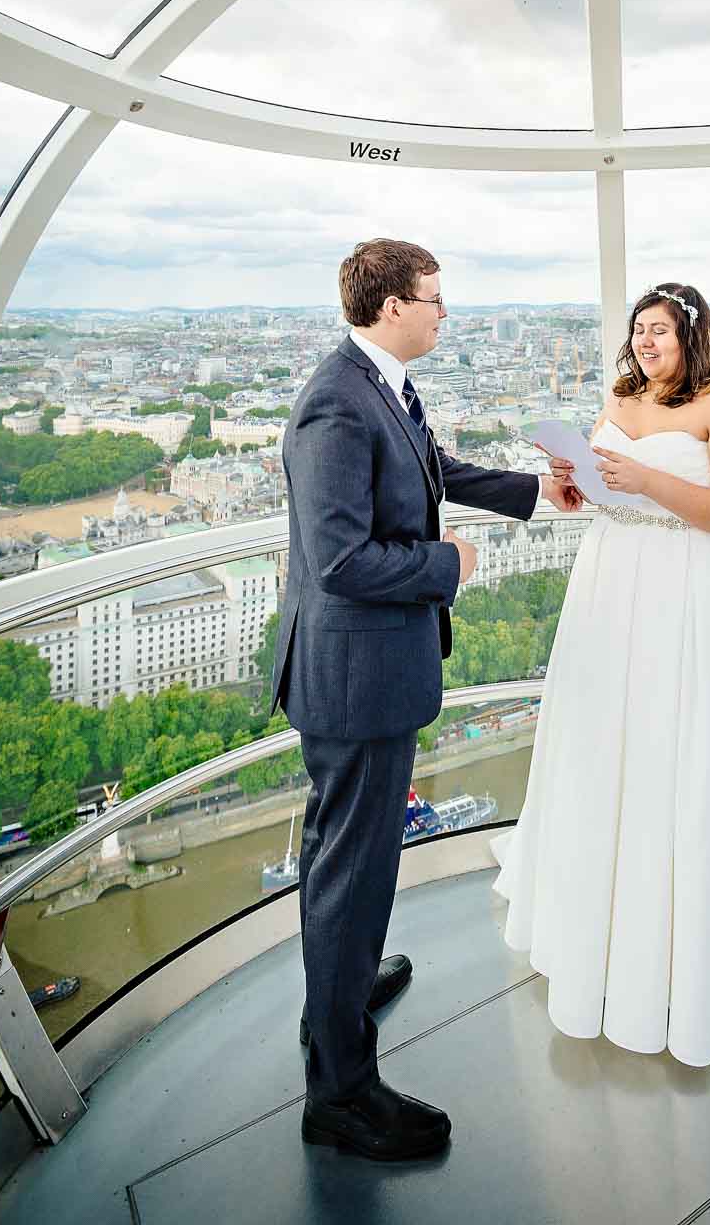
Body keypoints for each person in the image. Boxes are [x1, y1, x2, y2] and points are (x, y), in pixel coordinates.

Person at [271, 237, 581, 1161]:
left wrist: (537, 490)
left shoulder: (384, 388)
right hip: (355, 681)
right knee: (352, 870)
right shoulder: (335, 404)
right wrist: (453, 564)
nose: (448, 314)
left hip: (369, 673)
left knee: (346, 860)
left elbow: (433, 466)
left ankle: (340, 989)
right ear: (391, 305)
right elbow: (339, 561)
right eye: (436, 299)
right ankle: (341, 1093)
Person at [492, 280, 710, 1067]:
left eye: (661, 330)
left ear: (693, 335)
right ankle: (609, 931)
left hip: (696, 592)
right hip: (613, 583)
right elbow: (616, 493)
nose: (646, 342)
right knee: (610, 750)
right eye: (639, 329)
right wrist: (583, 487)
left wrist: (650, 483)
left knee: (690, 753)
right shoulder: (621, 396)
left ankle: (695, 957)